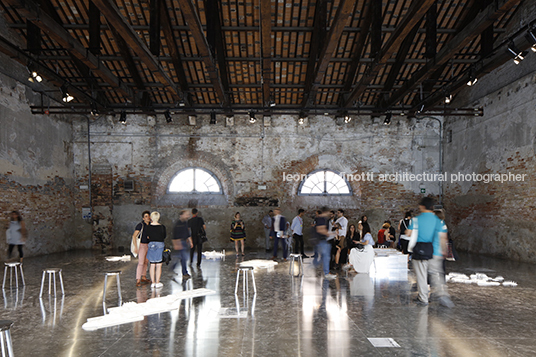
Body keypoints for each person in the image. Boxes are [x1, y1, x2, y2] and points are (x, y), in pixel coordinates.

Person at [407, 197, 453, 307]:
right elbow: (443, 237)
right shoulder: (439, 221)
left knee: (421, 276)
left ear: (422, 207)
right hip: (435, 252)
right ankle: (442, 294)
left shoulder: (416, 219)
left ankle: (423, 298)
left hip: (421, 252)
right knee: (437, 274)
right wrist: (444, 251)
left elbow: (408, 233)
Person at [313, 207, 337, 279]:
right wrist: (330, 233)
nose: (329, 214)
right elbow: (320, 229)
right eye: (328, 212)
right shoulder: (321, 219)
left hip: (321, 240)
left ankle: (326, 272)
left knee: (324, 257)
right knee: (326, 257)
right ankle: (326, 273)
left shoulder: (321, 219)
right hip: (322, 240)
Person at [145, 211, 167, 289]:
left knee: (152, 264)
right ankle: (157, 282)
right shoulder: (162, 227)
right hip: (160, 244)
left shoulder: (147, 227)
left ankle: (153, 282)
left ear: (151, 217)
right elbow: (164, 236)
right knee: (159, 265)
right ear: (158, 218)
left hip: (151, 244)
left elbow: (147, 236)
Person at [131, 210, 152, 287]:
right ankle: (138, 279)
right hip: (142, 245)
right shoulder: (140, 225)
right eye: (146, 216)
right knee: (141, 262)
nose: (148, 218)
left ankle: (143, 277)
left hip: (148, 245)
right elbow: (134, 236)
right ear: (143, 218)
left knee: (146, 262)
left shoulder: (151, 225)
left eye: (148, 216)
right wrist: (136, 247)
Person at [172, 210, 193, 280]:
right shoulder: (177, 224)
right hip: (179, 242)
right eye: (186, 214)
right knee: (184, 258)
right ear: (181, 215)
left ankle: (172, 269)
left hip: (184, 242)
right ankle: (185, 273)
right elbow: (174, 235)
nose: (188, 216)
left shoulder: (185, 223)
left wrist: (191, 241)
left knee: (181, 258)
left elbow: (187, 233)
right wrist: (176, 244)